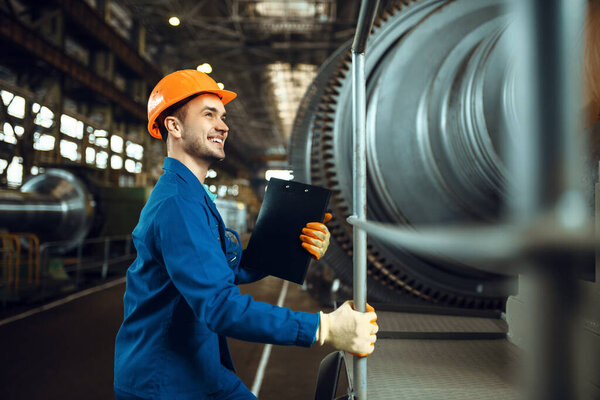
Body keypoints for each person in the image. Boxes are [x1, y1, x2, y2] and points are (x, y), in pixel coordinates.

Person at [113, 70, 378, 400]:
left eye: (223, 117)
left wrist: (295, 245)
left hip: (201, 369)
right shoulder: (177, 205)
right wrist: (323, 328)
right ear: (174, 126)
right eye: (209, 114)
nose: (224, 126)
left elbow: (225, 270)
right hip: (166, 381)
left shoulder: (193, 196)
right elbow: (219, 305)